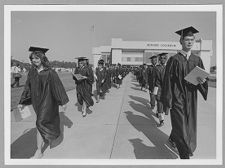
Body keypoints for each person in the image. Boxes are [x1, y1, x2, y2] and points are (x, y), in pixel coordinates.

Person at [162, 26, 208, 159]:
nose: (189, 42)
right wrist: (168, 100)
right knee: (181, 127)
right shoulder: (174, 59)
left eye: (191, 40)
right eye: (186, 39)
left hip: (191, 98)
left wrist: (202, 81)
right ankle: (184, 155)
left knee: (189, 125)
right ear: (181, 41)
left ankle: (177, 141)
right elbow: (167, 82)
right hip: (177, 98)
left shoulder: (197, 60)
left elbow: (203, 80)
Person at [18, 46, 69, 159]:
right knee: (42, 122)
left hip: (48, 101)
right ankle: (44, 139)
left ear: (42, 58)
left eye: (37, 58)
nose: (34, 60)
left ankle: (39, 151)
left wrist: (63, 101)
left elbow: (58, 87)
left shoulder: (50, 72)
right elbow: (27, 87)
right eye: (32, 58)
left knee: (40, 123)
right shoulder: (32, 72)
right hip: (37, 102)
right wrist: (22, 101)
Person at [154, 53, 169, 127]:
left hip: (167, 89)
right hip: (159, 88)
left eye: (164, 58)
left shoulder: (168, 67)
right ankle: (161, 120)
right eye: (161, 58)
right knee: (160, 104)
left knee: (165, 105)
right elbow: (155, 79)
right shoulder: (157, 68)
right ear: (159, 59)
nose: (163, 59)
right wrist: (153, 90)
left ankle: (160, 114)